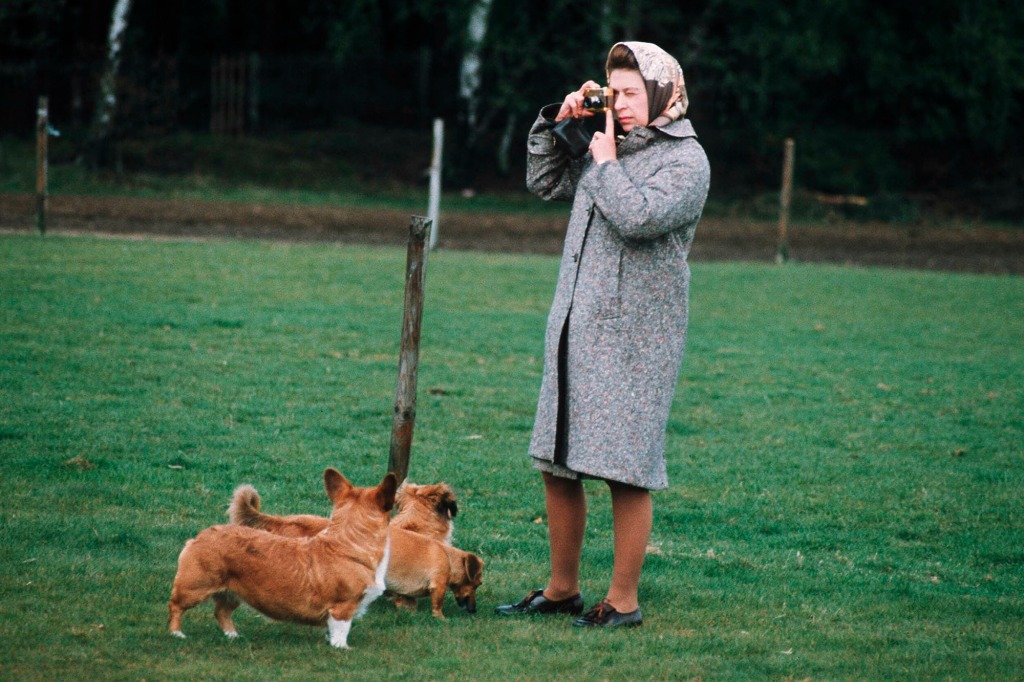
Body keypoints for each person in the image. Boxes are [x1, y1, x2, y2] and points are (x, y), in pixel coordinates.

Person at [495, 41, 710, 628]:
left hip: (638, 338)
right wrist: (557, 124)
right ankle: (561, 589)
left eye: (634, 93)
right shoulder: (602, 144)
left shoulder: (686, 162)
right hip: (575, 324)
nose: (623, 104)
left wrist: (607, 160)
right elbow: (543, 182)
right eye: (616, 93)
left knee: (624, 468)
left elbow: (638, 218)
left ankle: (623, 602)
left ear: (665, 93)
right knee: (558, 461)